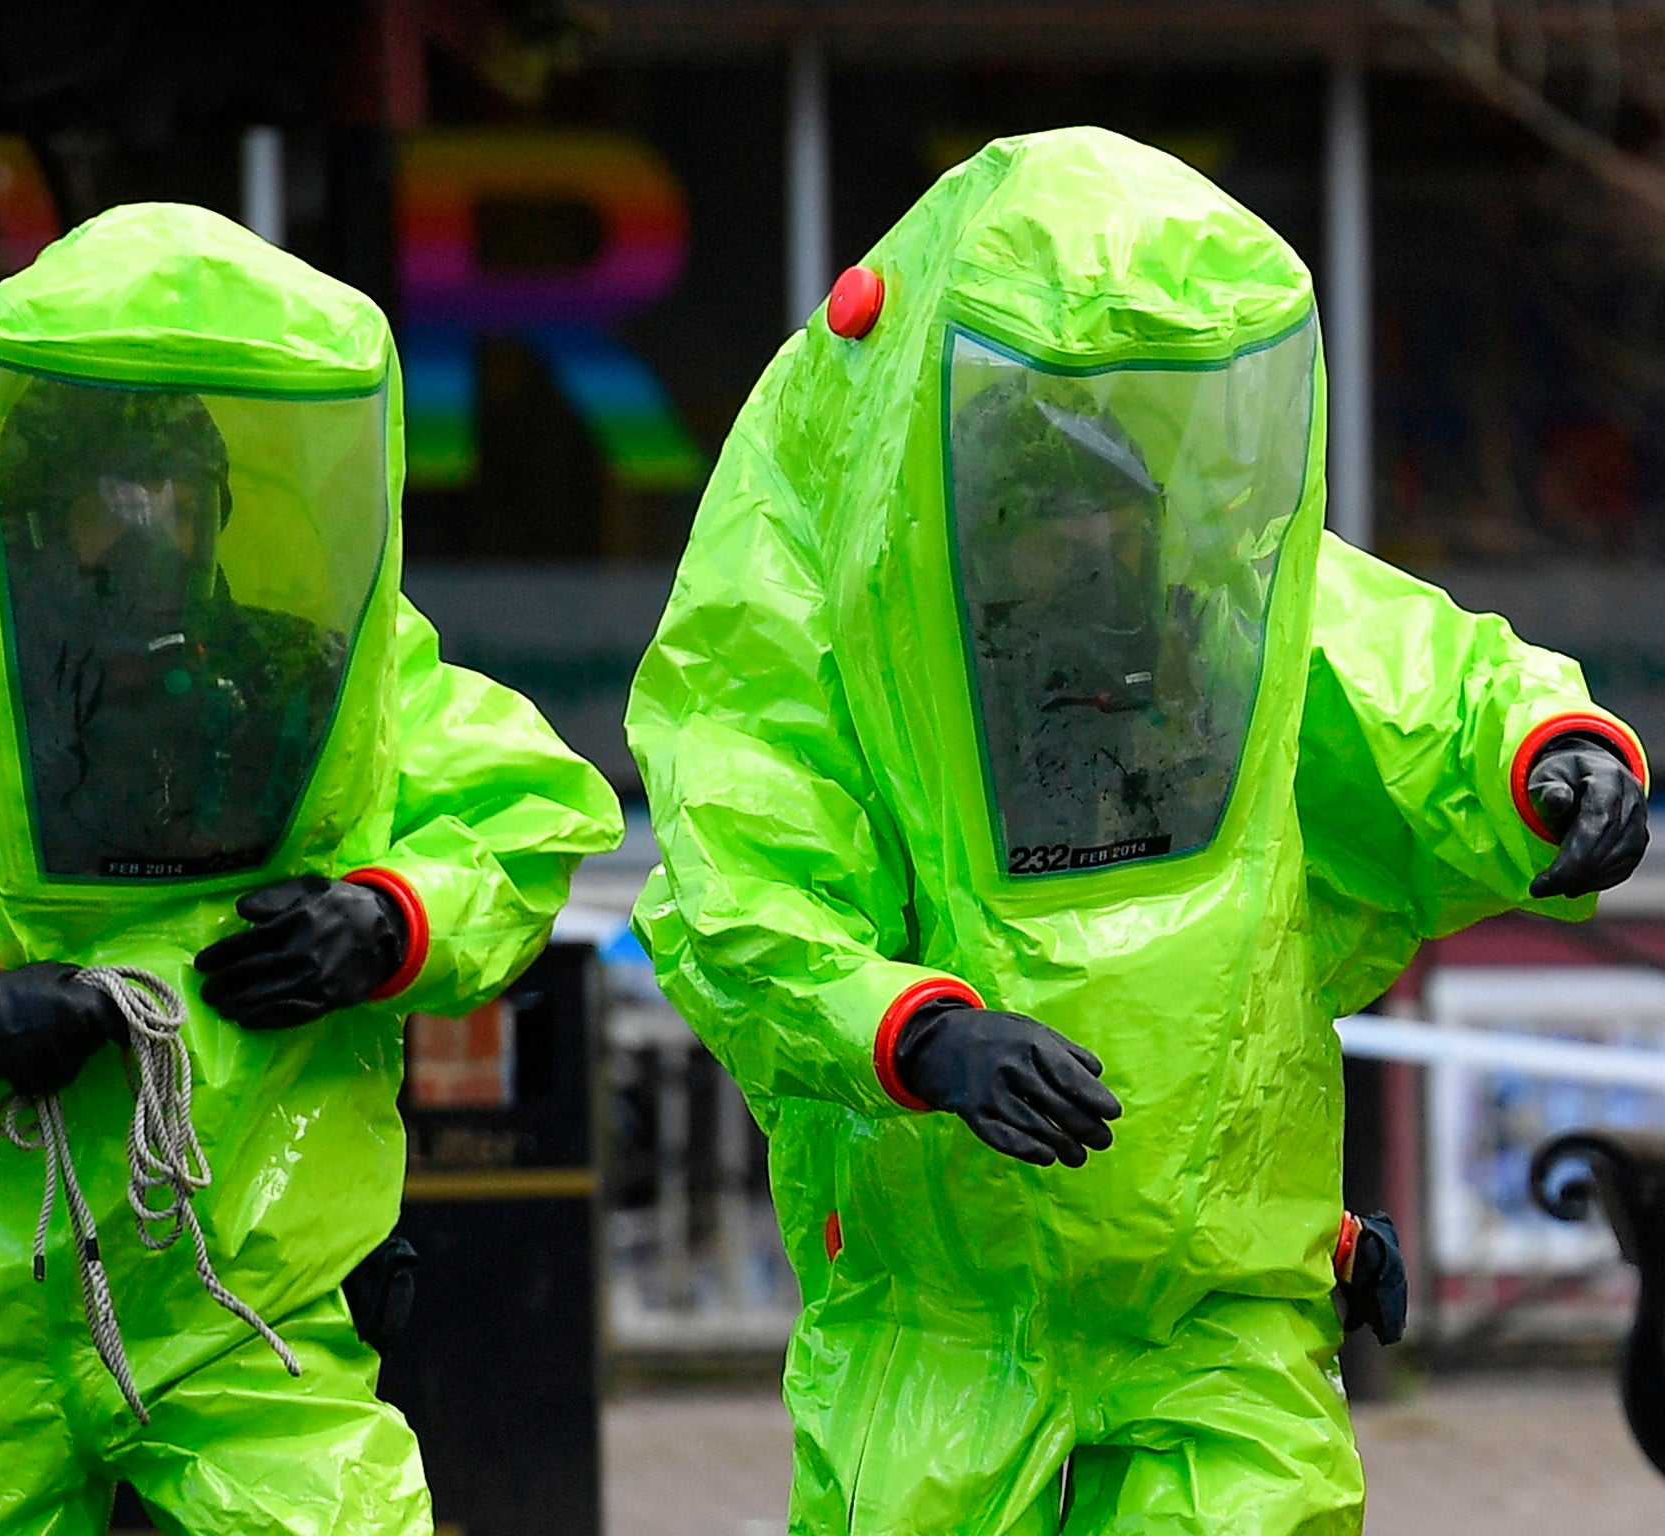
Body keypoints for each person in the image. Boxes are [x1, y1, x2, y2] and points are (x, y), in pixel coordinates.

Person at [625, 126, 1649, 1536]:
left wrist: (1557, 758)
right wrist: (920, 1032)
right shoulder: (835, 650)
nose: (1096, 552)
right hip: (947, 1346)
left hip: (1219, 1322)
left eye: (1113, 513)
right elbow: (741, 900)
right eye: (1049, 514)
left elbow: (1423, 684)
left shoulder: (1210, 629)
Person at [0, 202, 622, 1535]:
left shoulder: (298, 669)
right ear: (31, 502)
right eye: (112, 499)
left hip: (242, 1288)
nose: (152, 538)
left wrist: (388, 922)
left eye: (180, 498)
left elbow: (521, 812)